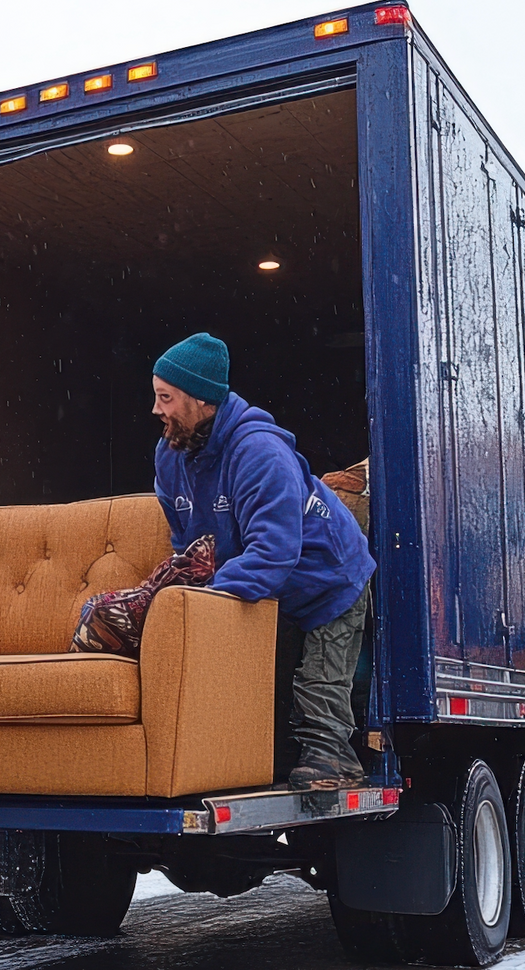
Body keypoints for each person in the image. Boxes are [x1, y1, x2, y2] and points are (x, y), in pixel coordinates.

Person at [150, 333, 376, 789]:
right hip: (268, 583)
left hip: (328, 577)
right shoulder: (170, 456)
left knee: (315, 691)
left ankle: (336, 759)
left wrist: (205, 598)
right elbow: (186, 547)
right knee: (257, 690)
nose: (157, 410)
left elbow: (273, 554)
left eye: (166, 398)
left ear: (201, 400)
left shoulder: (260, 453)